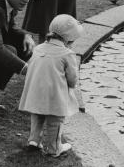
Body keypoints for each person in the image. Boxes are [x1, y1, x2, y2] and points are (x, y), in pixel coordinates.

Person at [19, 14, 84, 157]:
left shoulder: (39, 48)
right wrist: (72, 86)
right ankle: (54, 148)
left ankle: (34, 140)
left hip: (36, 91)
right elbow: (72, 79)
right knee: (56, 120)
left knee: (37, 115)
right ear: (68, 38)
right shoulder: (67, 54)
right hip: (55, 94)